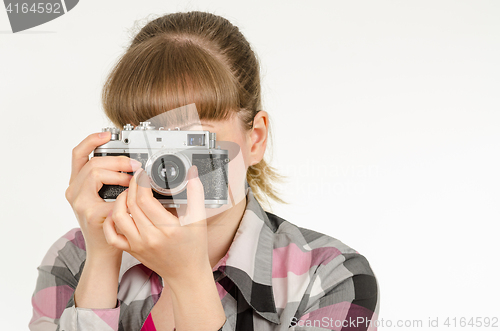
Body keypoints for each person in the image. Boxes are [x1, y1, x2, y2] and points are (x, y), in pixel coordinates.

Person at [29, 11, 379, 331]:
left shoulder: (331, 277)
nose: (168, 165)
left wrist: (189, 278)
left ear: (255, 139)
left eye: (194, 139)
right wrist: (101, 261)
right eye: (150, 138)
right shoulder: (75, 257)